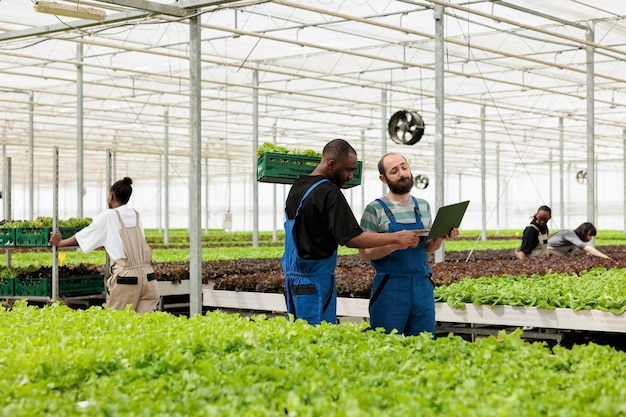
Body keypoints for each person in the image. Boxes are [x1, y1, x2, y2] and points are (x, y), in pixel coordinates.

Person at [282, 139, 422, 326]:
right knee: (317, 339)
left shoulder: (298, 186)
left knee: (298, 335)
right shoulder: (328, 192)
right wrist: (397, 237)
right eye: (348, 169)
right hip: (315, 283)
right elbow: (352, 238)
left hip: (293, 281)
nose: (350, 176)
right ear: (331, 164)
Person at [358, 153, 458, 338]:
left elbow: (427, 249)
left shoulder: (423, 206)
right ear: (383, 178)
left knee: (425, 341)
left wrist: (441, 237)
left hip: (422, 285)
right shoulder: (375, 209)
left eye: (404, 167)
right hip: (390, 287)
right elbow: (365, 253)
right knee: (386, 343)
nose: (402, 173)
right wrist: (395, 243)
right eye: (394, 171)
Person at [49, 177, 160, 313]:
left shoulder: (108, 216)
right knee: (145, 324)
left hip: (127, 279)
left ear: (111, 196)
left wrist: (60, 242)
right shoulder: (136, 215)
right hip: (149, 277)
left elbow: (85, 236)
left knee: (119, 323)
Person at [546, 222, 610, 259]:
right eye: (589, 235)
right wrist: (606, 257)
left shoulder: (573, 237)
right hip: (547, 252)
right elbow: (586, 248)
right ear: (583, 232)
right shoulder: (571, 235)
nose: (590, 238)